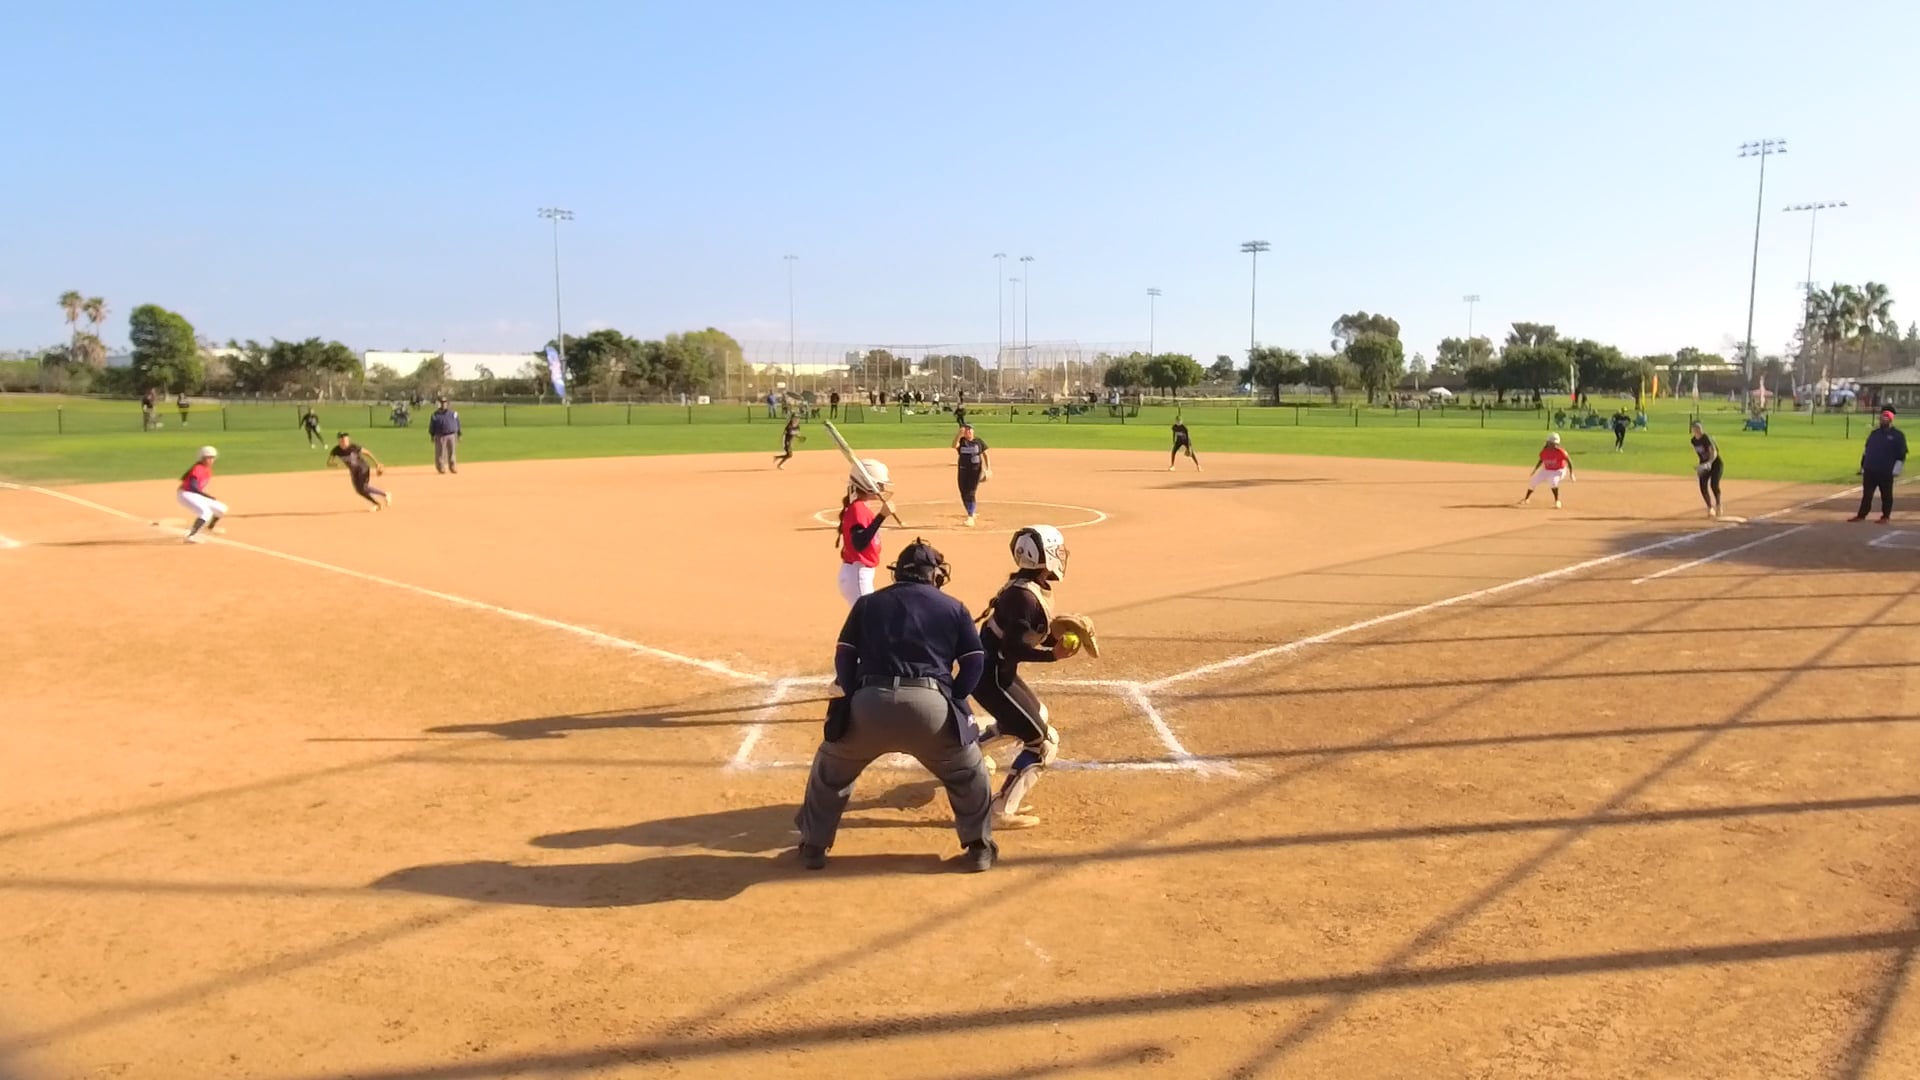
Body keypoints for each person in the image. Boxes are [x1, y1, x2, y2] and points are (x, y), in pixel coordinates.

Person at [795, 539, 995, 872]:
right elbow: (974, 662)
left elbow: (844, 656)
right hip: (931, 708)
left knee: (830, 772)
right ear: (934, 574)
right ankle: (979, 849)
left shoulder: (867, 604)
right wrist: (955, 697)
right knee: (968, 772)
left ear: (897, 572)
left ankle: (814, 847)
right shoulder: (953, 607)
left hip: (869, 705)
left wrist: (853, 693)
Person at [972, 525, 1072, 830]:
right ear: (1043, 556)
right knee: (1043, 744)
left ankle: (969, 751)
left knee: (1037, 714)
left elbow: (1022, 633)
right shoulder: (1023, 598)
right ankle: (1000, 811)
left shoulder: (1026, 587)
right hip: (992, 679)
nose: (1062, 555)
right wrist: (1053, 655)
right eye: (1057, 550)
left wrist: (1054, 638)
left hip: (995, 672)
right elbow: (1013, 648)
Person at [835, 458, 893, 604]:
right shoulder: (858, 509)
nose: (882, 488)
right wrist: (882, 516)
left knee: (868, 616)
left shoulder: (861, 507)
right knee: (870, 616)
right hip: (858, 573)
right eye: (880, 484)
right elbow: (859, 543)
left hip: (860, 573)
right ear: (868, 484)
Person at [1851, 408, 1908, 523]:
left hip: (1886, 470)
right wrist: (1863, 465)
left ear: (1890, 420)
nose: (1882, 420)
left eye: (1885, 419)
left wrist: (1897, 468)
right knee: (1867, 494)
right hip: (1870, 469)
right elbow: (1867, 450)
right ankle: (1861, 515)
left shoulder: (1898, 435)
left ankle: (1885, 516)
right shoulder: (1875, 433)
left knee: (1886, 494)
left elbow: (1902, 454)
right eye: (1881, 418)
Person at [327, 432, 392, 511]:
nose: (344, 442)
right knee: (359, 490)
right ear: (339, 441)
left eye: (346, 440)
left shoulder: (353, 447)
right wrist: (334, 464)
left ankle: (385, 494)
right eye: (342, 440)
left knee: (363, 487)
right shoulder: (336, 450)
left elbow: (367, 452)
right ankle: (377, 504)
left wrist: (376, 463)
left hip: (363, 468)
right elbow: (329, 462)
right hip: (353, 471)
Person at [177, 446, 226, 544]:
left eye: (212, 457)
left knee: (221, 508)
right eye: (208, 457)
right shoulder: (198, 469)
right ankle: (190, 536)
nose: (211, 460)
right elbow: (192, 487)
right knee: (206, 512)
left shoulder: (206, 469)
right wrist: (206, 496)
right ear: (201, 458)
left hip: (194, 494)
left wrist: (204, 496)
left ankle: (209, 529)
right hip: (186, 494)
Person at [1519, 432, 1574, 509]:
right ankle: (1526, 499)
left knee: (1553, 481)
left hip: (1559, 470)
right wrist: (1535, 470)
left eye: (1554, 443)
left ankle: (1557, 501)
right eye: (1550, 443)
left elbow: (1569, 461)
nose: (1552, 445)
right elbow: (1541, 461)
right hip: (1546, 469)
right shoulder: (1544, 451)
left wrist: (1571, 473)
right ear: (1547, 443)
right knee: (1533, 481)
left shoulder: (1561, 452)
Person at [953, 423, 991, 527]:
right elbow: (954, 446)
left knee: (970, 492)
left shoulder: (978, 442)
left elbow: (985, 455)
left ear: (973, 431)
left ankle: (970, 517)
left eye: (970, 429)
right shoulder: (962, 441)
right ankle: (971, 512)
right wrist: (958, 435)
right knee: (963, 492)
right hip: (963, 470)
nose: (968, 431)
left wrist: (988, 469)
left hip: (975, 471)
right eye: (966, 430)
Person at [1689, 421, 1723, 519]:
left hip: (1716, 463)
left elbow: (1714, 452)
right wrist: (1701, 466)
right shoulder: (1693, 441)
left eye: (1699, 428)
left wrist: (1709, 462)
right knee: (1702, 485)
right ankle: (1710, 508)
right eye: (1695, 428)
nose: (1698, 430)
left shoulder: (1706, 438)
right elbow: (1701, 455)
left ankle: (1718, 505)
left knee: (1714, 485)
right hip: (1704, 464)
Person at [428, 398, 461, 474]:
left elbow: (458, 424)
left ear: (447, 404)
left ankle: (452, 467)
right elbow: (432, 426)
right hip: (440, 436)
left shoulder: (453, 413)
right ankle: (441, 467)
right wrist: (432, 435)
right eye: (442, 403)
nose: (443, 404)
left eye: (445, 402)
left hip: (451, 435)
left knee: (452, 452)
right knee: (440, 453)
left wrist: (459, 434)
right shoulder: (435, 415)